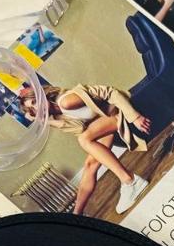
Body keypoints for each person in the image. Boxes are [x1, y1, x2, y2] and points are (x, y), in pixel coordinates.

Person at [18, 82, 151, 215]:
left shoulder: (66, 101)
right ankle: (77, 215)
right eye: (33, 109)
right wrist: (46, 121)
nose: (37, 108)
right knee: (90, 165)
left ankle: (130, 181)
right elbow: (80, 129)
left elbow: (110, 92)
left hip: (117, 112)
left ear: (41, 95)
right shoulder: (58, 114)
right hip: (106, 123)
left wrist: (135, 116)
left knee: (84, 139)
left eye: (35, 102)